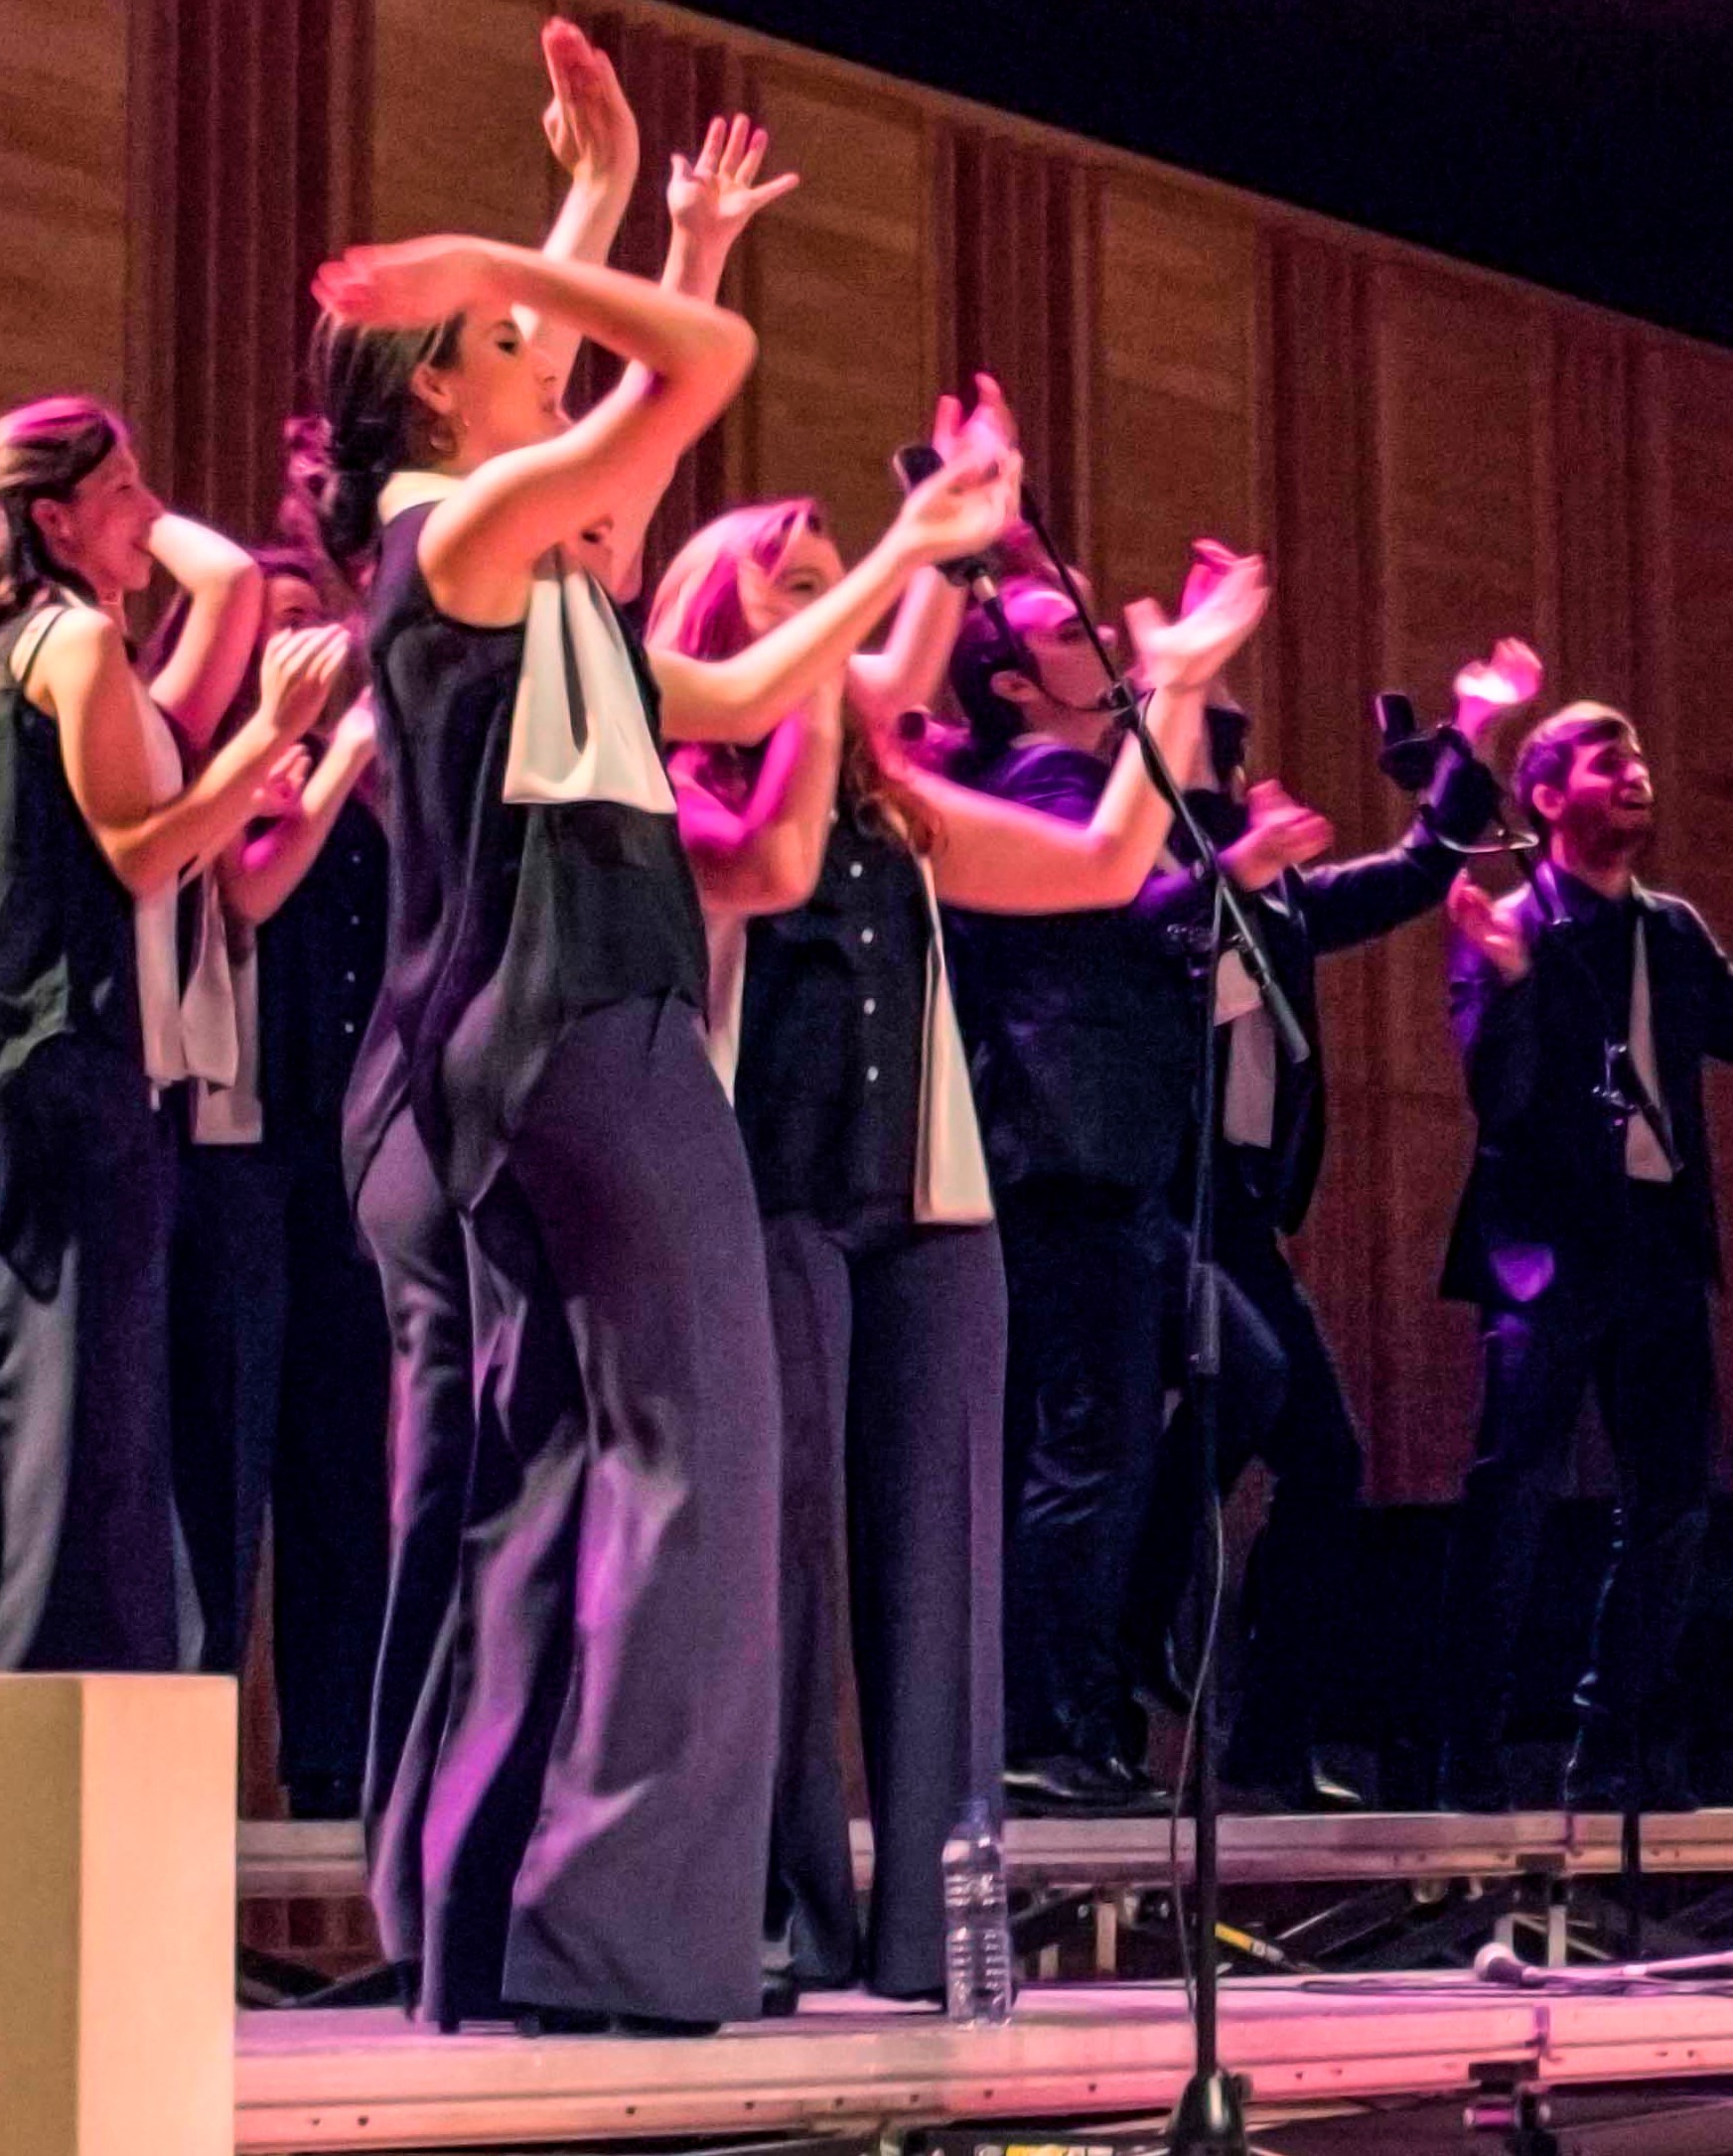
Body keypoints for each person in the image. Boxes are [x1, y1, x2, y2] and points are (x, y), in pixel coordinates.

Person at [303, 188, 1011, 2032]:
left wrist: (909, 546)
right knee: (702, 1459)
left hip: (534, 1036)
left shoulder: (523, 575)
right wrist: (534, 258)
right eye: (511, 343)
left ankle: (488, 1922)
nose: (555, 363)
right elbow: (700, 368)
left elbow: (749, 674)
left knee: (559, 1479)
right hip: (586, 1026)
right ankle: (614, 1933)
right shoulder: (461, 530)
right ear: (434, 386)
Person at [663, 482, 1254, 2001]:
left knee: (941, 1569)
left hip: (930, 1210)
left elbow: (1105, 861)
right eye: (797, 587)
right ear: (719, 622)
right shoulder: (670, 785)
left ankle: (939, 1932)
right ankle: (781, 1917)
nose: (833, 608)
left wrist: (1176, 686)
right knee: (782, 1570)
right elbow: (768, 867)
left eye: (834, 583)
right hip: (768, 1199)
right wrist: (839, 674)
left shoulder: (896, 806)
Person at [0, 395, 303, 1675]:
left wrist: (116, 520)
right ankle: (44, 1702)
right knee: (77, 1428)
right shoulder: (72, 643)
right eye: (122, 485)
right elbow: (142, 851)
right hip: (66, 1075)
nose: (153, 507)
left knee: (15, 1420)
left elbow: (229, 585)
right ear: (54, 519)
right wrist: (271, 733)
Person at [1108, 612, 1524, 1813]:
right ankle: (1130, 1638)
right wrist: (1228, 860)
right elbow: (1136, 944)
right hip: (1143, 1188)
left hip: (1237, 1204)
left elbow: (1417, 869)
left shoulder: (1274, 880)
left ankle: (1268, 1740)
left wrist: (1475, 729)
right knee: (1209, 1404)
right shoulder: (1125, 853)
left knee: (1327, 1457)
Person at [1430, 701, 1733, 1814]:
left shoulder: (1672, 929)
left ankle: (1612, 1742)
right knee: (1513, 1491)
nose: (1637, 772)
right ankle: (1469, 1746)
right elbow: (1499, 1100)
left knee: (1672, 1499)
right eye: (1606, 760)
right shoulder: (1514, 922)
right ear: (1545, 798)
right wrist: (1511, 984)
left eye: (1639, 754)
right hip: (1545, 1248)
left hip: (1657, 1246)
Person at [937, 566, 1216, 1819]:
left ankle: (1083, 1699)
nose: (1099, 634)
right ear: (1011, 682)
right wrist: (1236, 864)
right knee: (1089, 1446)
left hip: (1101, 1155)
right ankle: (1054, 1724)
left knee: (1178, 1412)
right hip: (1065, 1148)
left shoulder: (1077, 777)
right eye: (1068, 627)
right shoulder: (1040, 778)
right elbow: (1132, 900)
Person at [165, 543, 389, 1819]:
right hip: (236, 1147)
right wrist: (328, 755)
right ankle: (188, 1749)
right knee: (225, 1450)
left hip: (340, 1145)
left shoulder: (354, 788)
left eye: (317, 619)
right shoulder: (226, 768)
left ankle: (334, 1758)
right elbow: (247, 895)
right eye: (278, 621)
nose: (308, 641)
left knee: (340, 1457)